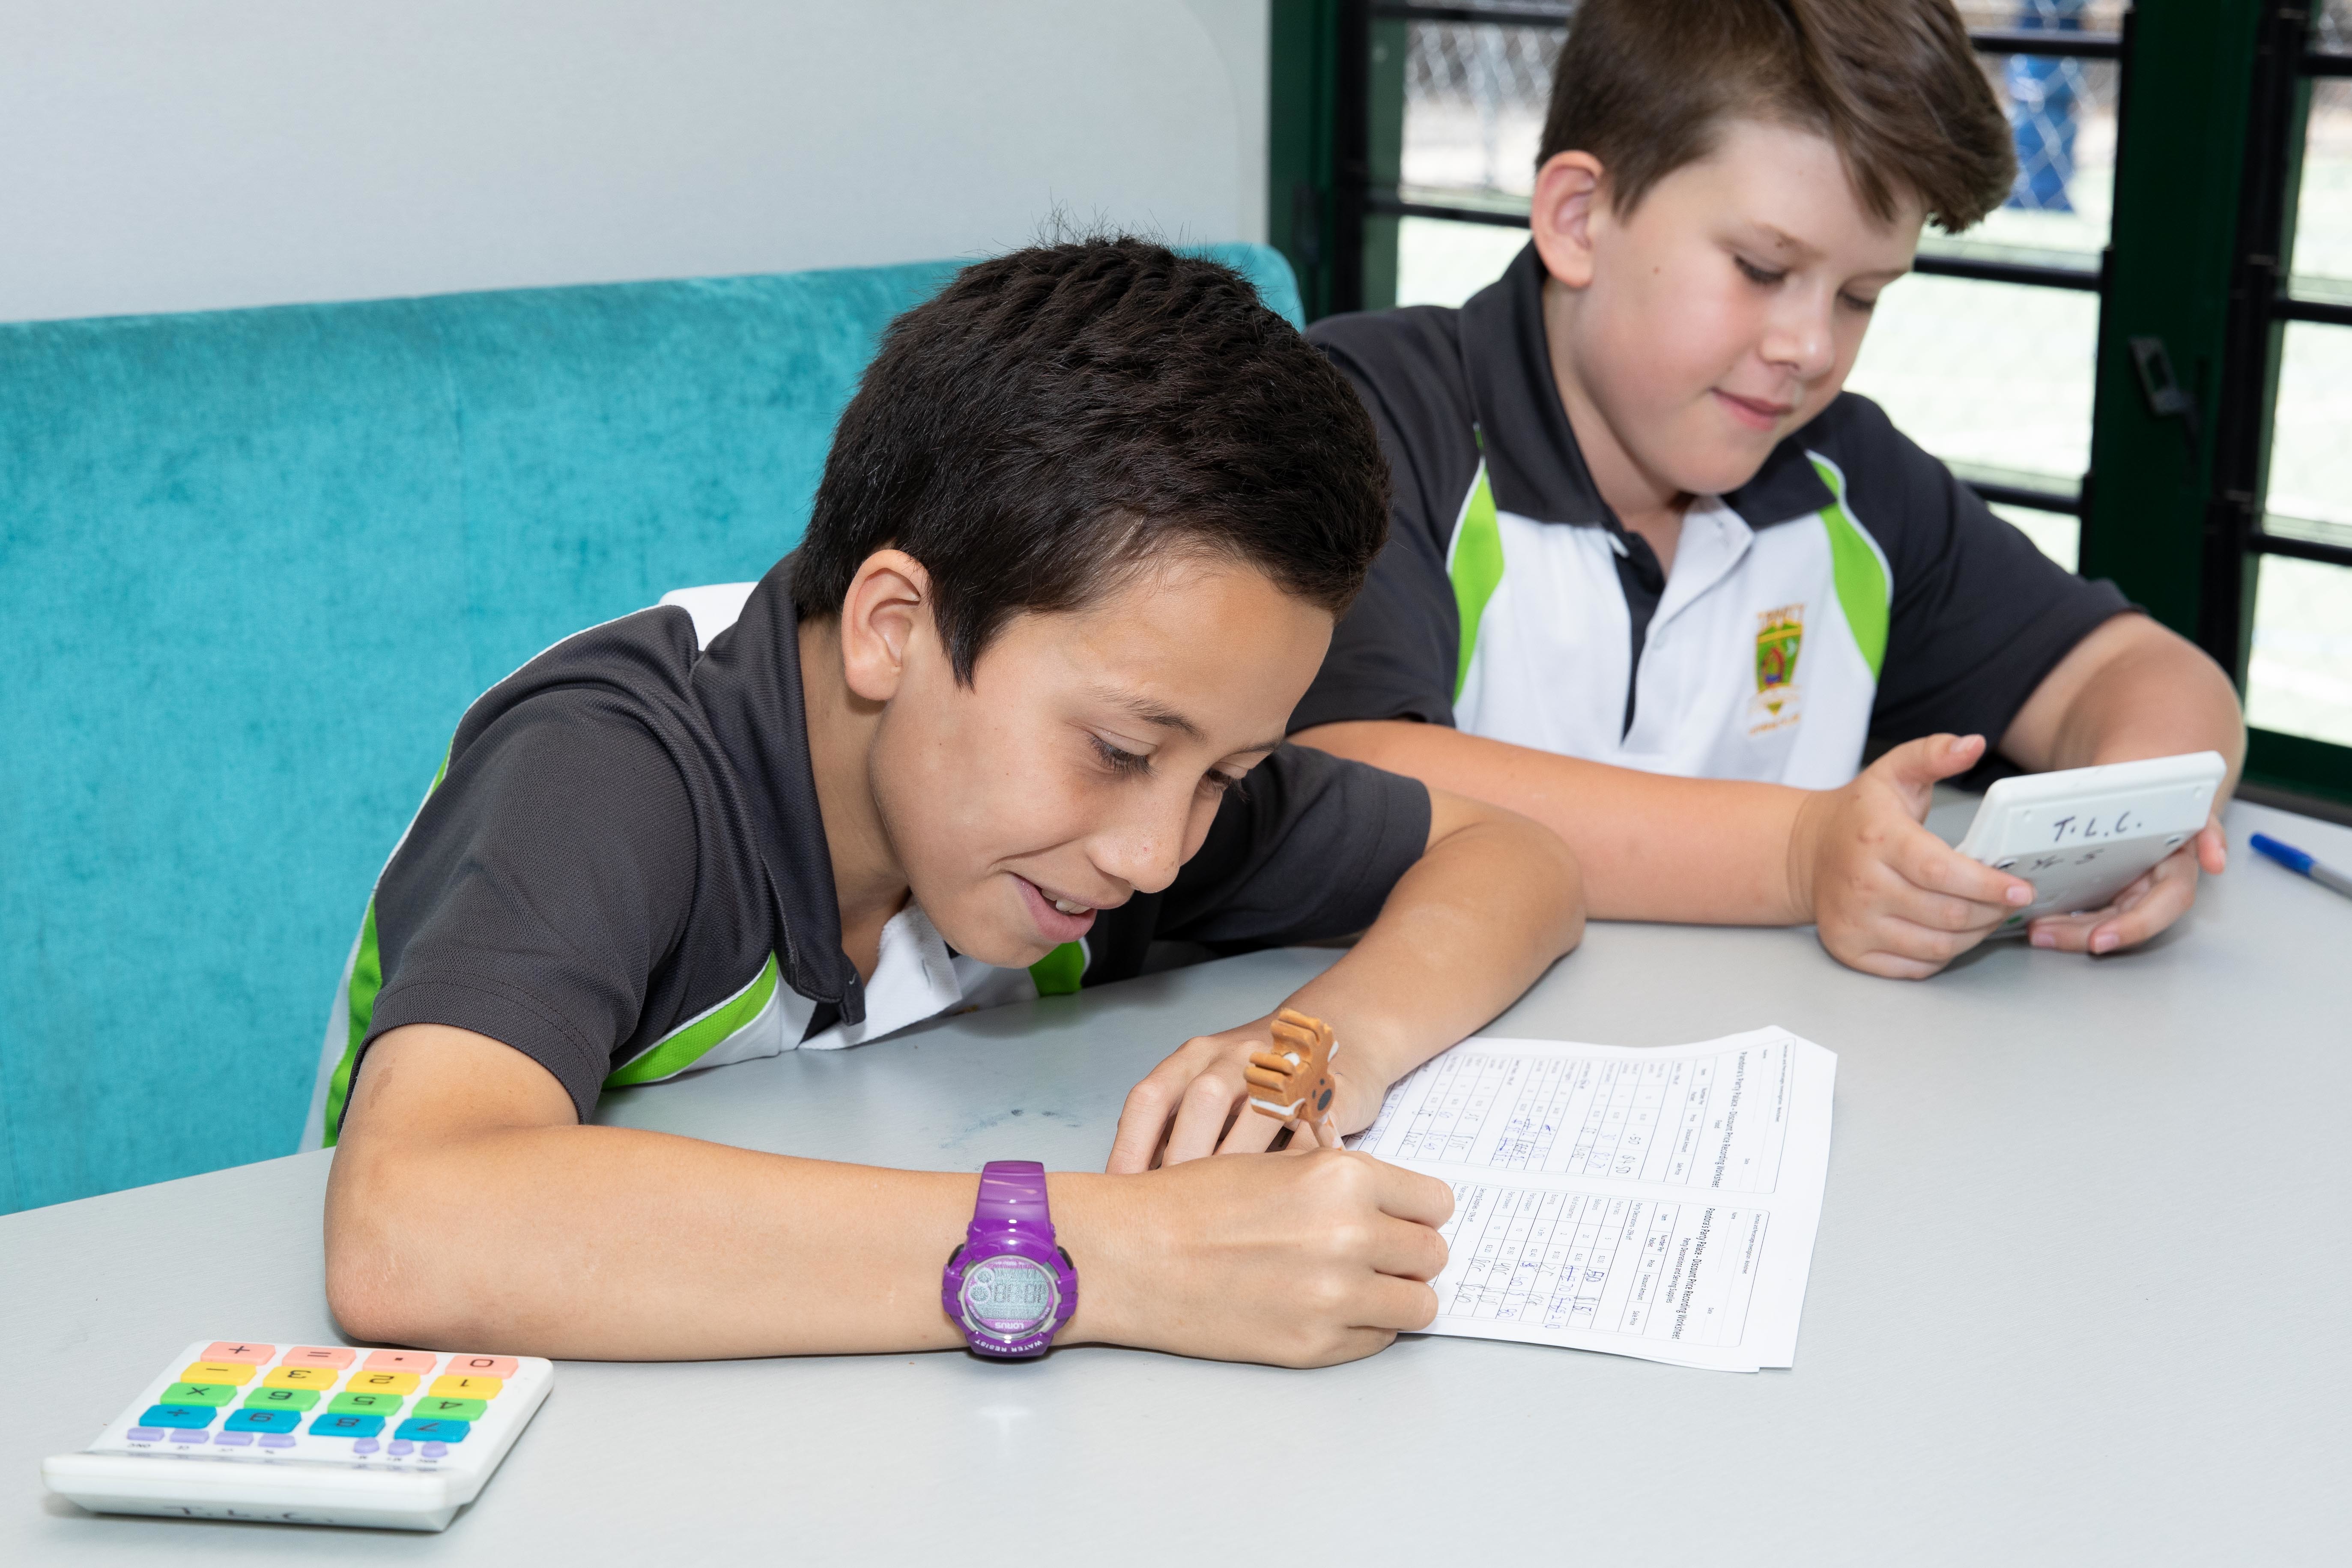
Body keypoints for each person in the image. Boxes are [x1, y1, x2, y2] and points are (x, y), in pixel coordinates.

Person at [320, 239, 1584, 1370]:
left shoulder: (1112, 772)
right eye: (1117, 750)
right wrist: (1116, 1255)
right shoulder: (602, 768)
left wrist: (1319, 1046)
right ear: (892, 629)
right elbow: (412, 1225)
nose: (1156, 856)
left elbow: (1514, 860)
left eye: (1226, 778)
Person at [1289, 0, 2245, 981]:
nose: (1813, 348)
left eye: (1860, 296)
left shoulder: (1847, 473)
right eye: (1761, 268)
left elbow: (2137, 670)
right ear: (1577, 220)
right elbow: (1353, 772)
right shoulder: (1364, 418)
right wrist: (1800, 853)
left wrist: (2133, 830)